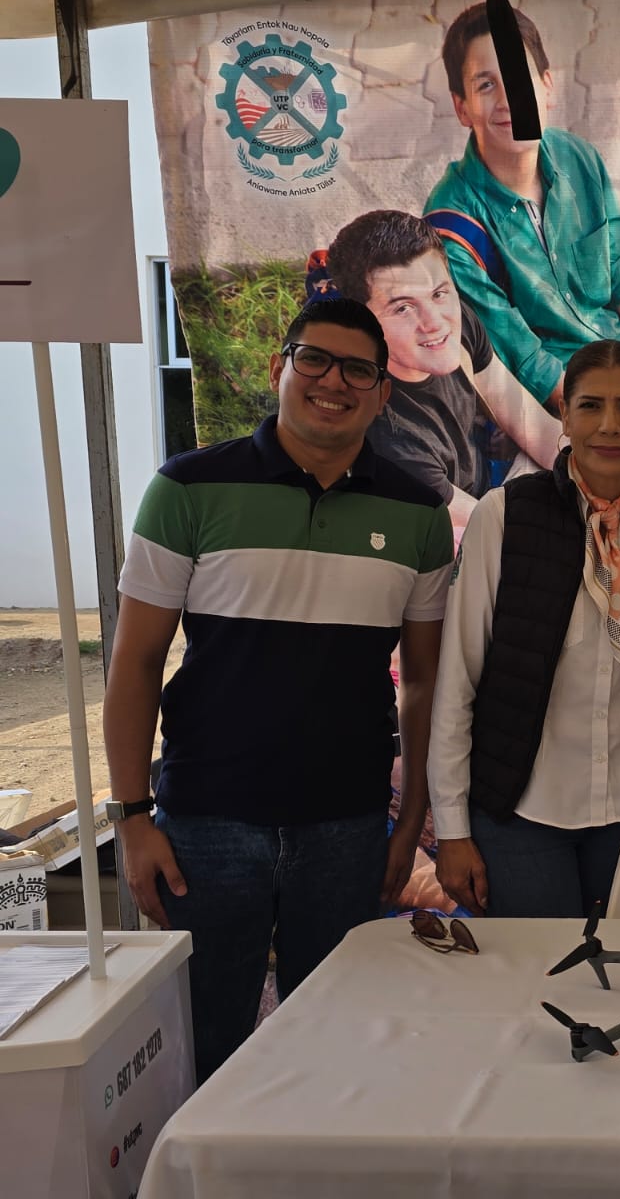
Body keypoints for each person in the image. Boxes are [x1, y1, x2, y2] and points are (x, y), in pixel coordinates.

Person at [104, 298, 453, 1082]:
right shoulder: (188, 487)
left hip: (347, 825)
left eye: (358, 370)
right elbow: (135, 662)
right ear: (279, 368)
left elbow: (424, 679)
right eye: (314, 359)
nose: (334, 382)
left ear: (382, 392)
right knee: (203, 1047)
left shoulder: (418, 513)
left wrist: (410, 824)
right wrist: (131, 816)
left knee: (335, 1047)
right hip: (205, 823)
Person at [427, 339, 620, 918]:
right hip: (519, 810)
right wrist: (451, 828)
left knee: (611, 969)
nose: (610, 425)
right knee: (540, 972)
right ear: (565, 415)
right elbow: (458, 681)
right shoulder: (505, 516)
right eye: (591, 405)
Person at [424, 3, 620, 413]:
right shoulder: (452, 225)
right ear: (461, 107)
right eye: (486, 85)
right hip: (566, 403)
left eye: (520, 78)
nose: (510, 100)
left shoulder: (577, 157)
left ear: (547, 86)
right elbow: (524, 360)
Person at [324, 209, 564, 519]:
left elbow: (531, 423)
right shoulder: (387, 439)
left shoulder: (457, 322)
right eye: (403, 308)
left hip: (488, 486)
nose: (435, 322)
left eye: (438, 293)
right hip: (443, 528)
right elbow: (490, 532)